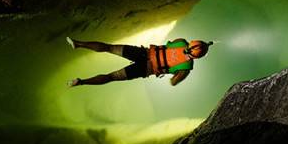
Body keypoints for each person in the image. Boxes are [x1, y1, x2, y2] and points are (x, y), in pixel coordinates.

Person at [66, 37, 212, 87]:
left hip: (143, 53)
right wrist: (172, 72)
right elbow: (173, 82)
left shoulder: (181, 42)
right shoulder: (186, 68)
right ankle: (80, 82)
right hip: (146, 69)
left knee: (109, 47)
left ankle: (78, 44)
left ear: (192, 43)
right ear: (198, 57)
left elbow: (169, 44)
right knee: (111, 77)